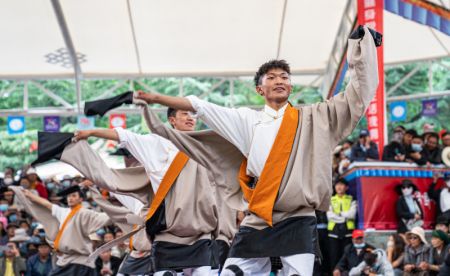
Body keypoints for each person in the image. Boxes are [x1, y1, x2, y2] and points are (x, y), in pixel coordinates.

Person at [133, 25, 379, 275]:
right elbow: (201, 106)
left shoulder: (315, 118)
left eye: (284, 77)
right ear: (260, 89)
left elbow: (356, 96)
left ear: (291, 87)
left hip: (299, 215)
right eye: (271, 77)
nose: (279, 81)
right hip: (259, 216)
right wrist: (156, 99)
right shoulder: (247, 120)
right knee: (231, 272)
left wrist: (361, 49)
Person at [10, 185, 111, 275]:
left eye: (74, 196)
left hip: (80, 261)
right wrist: (29, 195)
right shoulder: (63, 212)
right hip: (66, 259)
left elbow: (107, 217)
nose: (70, 198)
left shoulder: (85, 213)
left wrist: (120, 213)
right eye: (68, 196)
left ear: (81, 199)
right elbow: (47, 204)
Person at [327, 178, 357, 269]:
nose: (339, 187)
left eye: (341, 185)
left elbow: (352, 215)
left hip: (348, 230)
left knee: (347, 254)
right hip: (333, 231)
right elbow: (329, 216)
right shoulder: (330, 199)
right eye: (337, 185)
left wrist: (338, 214)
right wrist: (344, 216)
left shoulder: (351, 199)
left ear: (346, 187)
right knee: (334, 255)